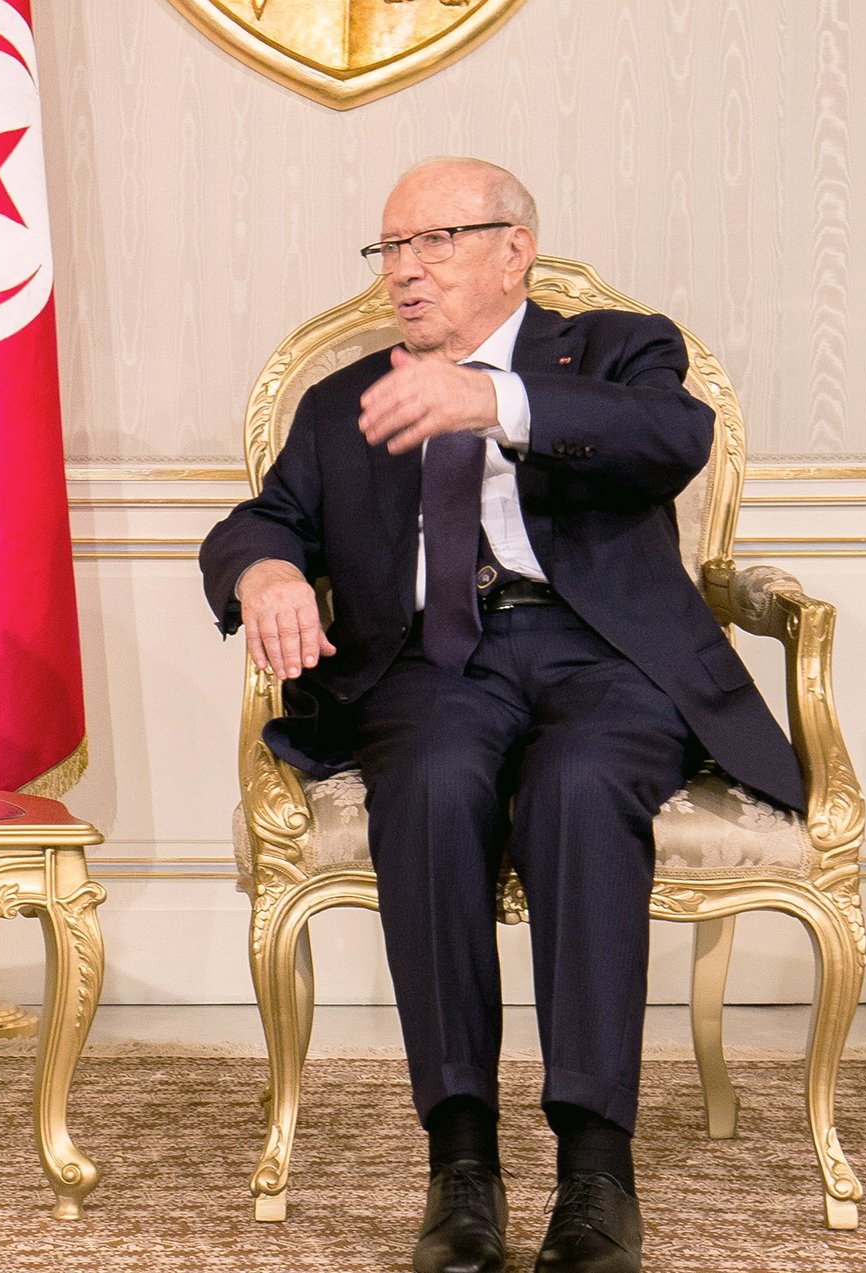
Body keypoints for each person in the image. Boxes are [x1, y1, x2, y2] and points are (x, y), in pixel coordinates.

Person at [200, 157, 804, 1273]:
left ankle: (595, 1171)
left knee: (580, 785)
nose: (404, 270)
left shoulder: (619, 349)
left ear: (513, 250)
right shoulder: (346, 401)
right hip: (434, 662)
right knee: (430, 781)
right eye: (390, 247)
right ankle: (461, 1164)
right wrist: (267, 572)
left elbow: (669, 439)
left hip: (604, 656)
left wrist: (494, 400)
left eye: (434, 241)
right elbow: (257, 520)